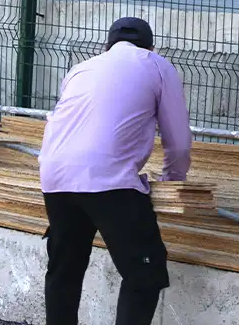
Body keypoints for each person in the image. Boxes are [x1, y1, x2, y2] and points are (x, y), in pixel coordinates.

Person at [38, 17, 192, 325]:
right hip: (109, 181)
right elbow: (179, 142)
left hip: (55, 176)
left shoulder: (80, 69)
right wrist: (172, 182)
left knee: (64, 270)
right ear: (151, 47)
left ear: (106, 46)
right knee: (144, 274)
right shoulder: (157, 66)